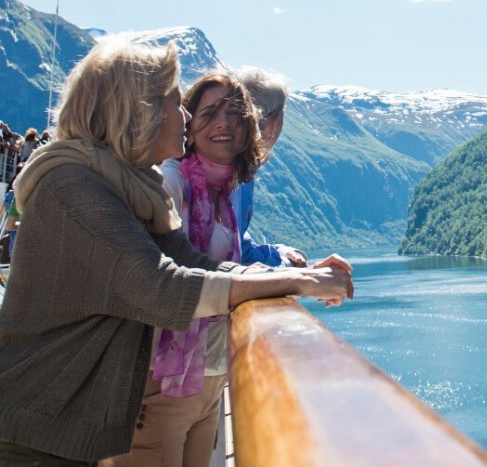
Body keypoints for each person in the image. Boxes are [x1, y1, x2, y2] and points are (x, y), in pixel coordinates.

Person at [0, 41, 352, 466]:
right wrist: (298, 281)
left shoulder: (129, 187)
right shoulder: (76, 187)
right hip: (37, 428)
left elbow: (195, 263)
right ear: (138, 110)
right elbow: (162, 286)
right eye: (175, 103)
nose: (185, 118)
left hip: (75, 419)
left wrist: (298, 276)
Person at [230, 67, 306, 266]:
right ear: (274, 123)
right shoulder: (234, 169)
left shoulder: (231, 160)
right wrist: (285, 264)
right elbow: (234, 251)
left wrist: (278, 251)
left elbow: (235, 240)